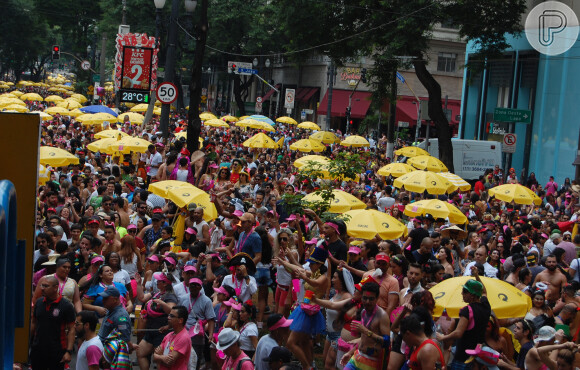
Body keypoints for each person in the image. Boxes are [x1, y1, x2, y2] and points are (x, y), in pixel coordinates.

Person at [436, 268, 491, 369]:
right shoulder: (486, 306)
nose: (462, 294)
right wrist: (476, 276)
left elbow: (458, 333)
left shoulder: (467, 310)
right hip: (477, 357)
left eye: (465, 291)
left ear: (472, 295)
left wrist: (443, 337)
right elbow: (484, 291)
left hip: (463, 357)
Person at [341, 282, 391, 370]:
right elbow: (364, 338)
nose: (367, 302)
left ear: (377, 298)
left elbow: (386, 342)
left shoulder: (382, 316)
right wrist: (350, 352)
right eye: (365, 298)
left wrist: (365, 331)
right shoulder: (364, 311)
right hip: (357, 356)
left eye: (371, 299)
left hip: (371, 362)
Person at [30, 276, 76, 370]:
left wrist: (68, 352)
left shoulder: (66, 306)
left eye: (46, 286)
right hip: (38, 349)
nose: (42, 288)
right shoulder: (39, 302)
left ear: (55, 288)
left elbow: (72, 329)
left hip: (57, 350)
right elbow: (34, 323)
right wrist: (29, 344)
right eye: (42, 285)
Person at [137, 271, 179, 369]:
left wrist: (162, 303)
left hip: (161, 333)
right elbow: (142, 298)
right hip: (150, 330)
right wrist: (139, 284)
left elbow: (172, 311)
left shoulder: (170, 296)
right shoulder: (156, 293)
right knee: (140, 352)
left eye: (159, 281)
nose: (156, 282)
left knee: (160, 360)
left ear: (165, 283)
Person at [181, 277, 216, 369]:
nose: (194, 287)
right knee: (182, 361)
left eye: (197, 286)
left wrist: (211, 334)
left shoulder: (206, 301)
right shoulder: (183, 299)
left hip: (197, 337)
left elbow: (211, 319)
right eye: (192, 285)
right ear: (189, 286)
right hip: (183, 335)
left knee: (194, 362)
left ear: (200, 287)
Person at [97, 285, 138, 351]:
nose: (103, 300)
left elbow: (124, 340)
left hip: (110, 354)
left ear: (115, 299)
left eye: (106, 298)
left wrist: (131, 347)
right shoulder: (110, 310)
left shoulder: (121, 317)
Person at [153, 305, 193, 370]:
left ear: (180, 320)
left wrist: (159, 356)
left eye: (172, 316)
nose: (168, 317)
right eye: (169, 315)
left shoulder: (183, 338)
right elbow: (154, 358)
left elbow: (169, 363)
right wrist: (162, 358)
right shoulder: (169, 335)